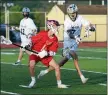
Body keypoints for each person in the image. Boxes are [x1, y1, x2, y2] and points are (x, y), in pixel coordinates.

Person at [37, 4, 95, 84]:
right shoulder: (67, 21)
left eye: (74, 13)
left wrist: (91, 28)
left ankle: (45, 71)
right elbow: (69, 33)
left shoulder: (80, 18)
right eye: (71, 13)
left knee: (63, 61)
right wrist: (76, 37)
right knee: (73, 54)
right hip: (68, 40)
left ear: (76, 12)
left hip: (75, 41)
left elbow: (89, 24)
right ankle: (82, 77)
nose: (73, 15)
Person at [25, 20, 68, 88]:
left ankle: (59, 84)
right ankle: (33, 80)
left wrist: (46, 53)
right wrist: (29, 45)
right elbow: (32, 40)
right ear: (50, 27)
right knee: (31, 65)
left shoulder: (55, 39)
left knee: (56, 67)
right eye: (55, 26)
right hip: (35, 52)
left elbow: (53, 52)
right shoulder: (42, 34)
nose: (57, 28)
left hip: (44, 55)